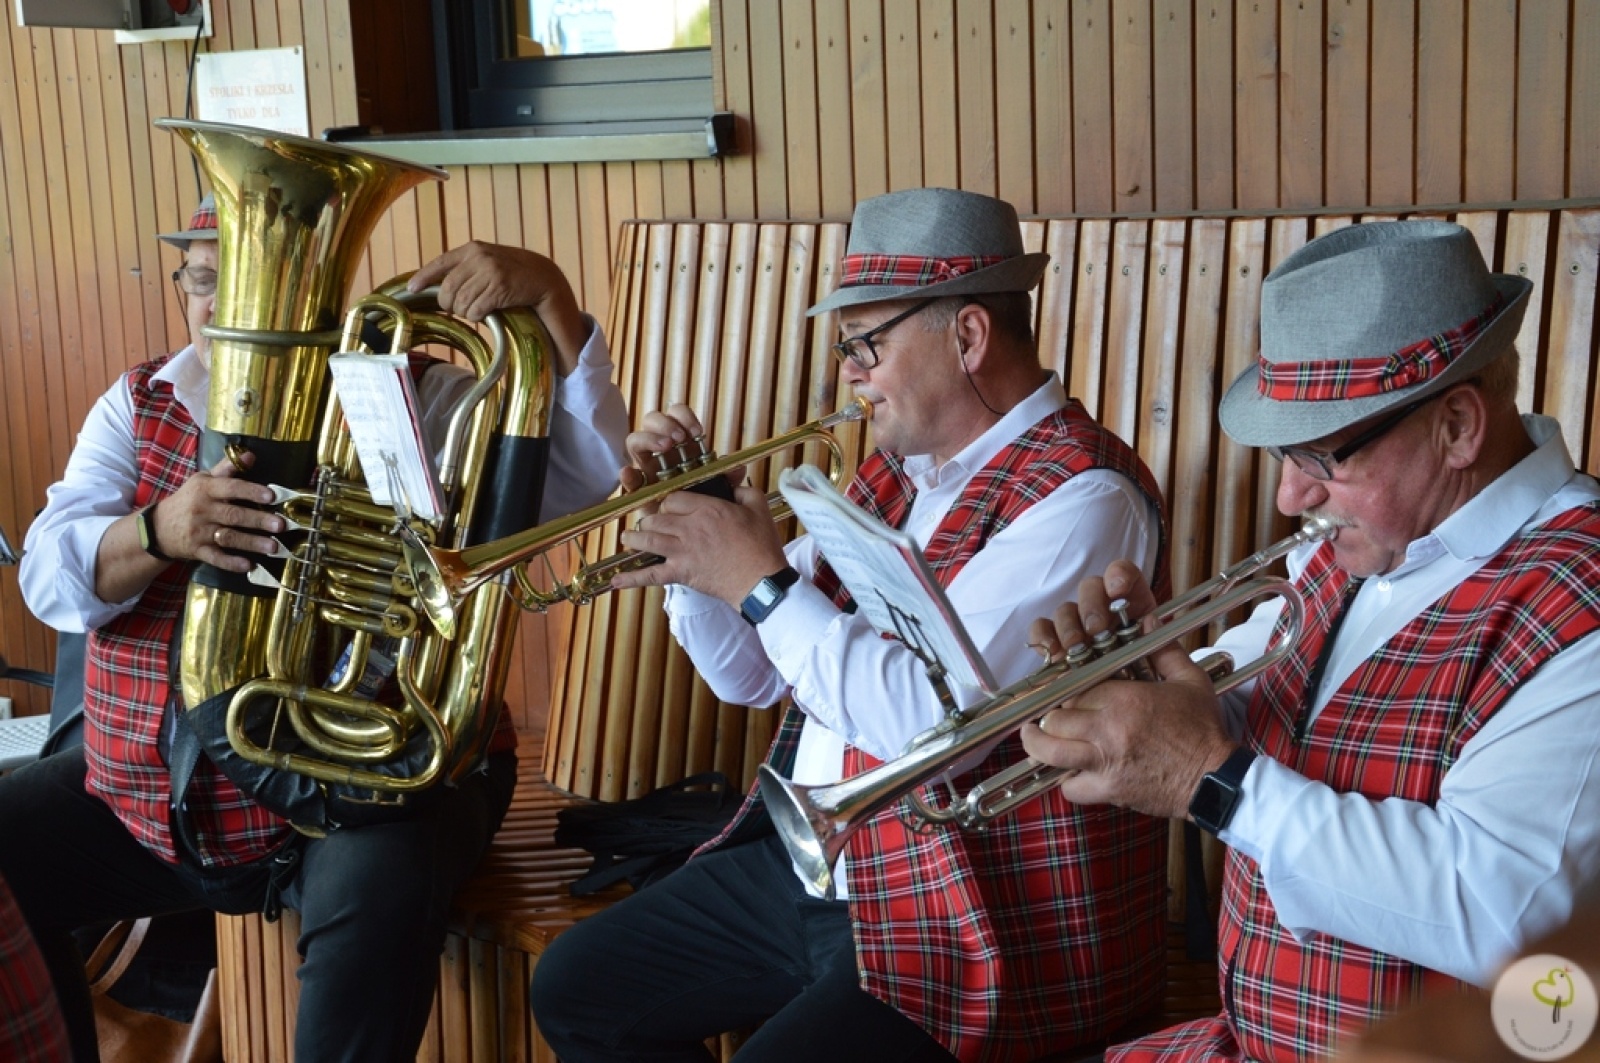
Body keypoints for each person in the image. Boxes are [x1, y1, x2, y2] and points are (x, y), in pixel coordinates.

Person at [529, 187, 1174, 1062]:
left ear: (969, 337)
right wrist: (695, 546)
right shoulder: (896, 475)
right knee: (576, 987)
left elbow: (930, 724)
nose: (850, 371)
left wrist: (755, 579)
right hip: (826, 863)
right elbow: (750, 677)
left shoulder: (1083, 497)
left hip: (976, 907)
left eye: (866, 342)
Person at [0, 196, 630, 1063]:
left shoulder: (408, 393)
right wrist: (158, 530)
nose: (225, 308)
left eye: (253, 287)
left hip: (363, 786)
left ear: (319, 301)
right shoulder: (139, 401)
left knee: (378, 900)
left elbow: (583, 478)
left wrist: (553, 299)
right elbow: (47, 577)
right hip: (158, 793)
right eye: (205, 280)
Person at [1019, 220, 1600, 1061]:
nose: (1293, 495)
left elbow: (1504, 905)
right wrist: (1144, 677)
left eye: (1322, 456)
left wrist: (1210, 782)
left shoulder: (1578, 597)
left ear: (1460, 426)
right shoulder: (1360, 541)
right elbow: (1264, 686)